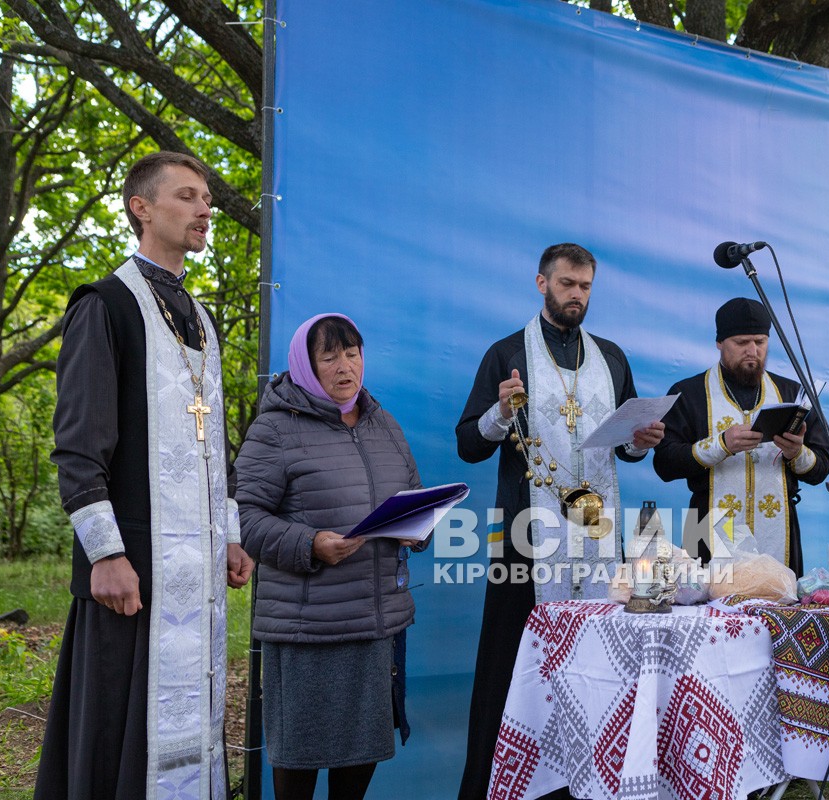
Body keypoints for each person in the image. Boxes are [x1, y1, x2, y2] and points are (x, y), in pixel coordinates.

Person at [36, 151, 254, 800]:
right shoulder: (105, 305)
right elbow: (78, 444)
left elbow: (216, 443)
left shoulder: (201, 318)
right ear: (142, 207)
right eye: (187, 196)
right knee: (118, 732)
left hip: (195, 570)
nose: (204, 209)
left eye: (206, 199)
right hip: (133, 564)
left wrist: (233, 534)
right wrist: (104, 552)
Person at [455, 242, 665, 800]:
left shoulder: (612, 358)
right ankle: (501, 788)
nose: (577, 295)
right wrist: (500, 413)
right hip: (526, 539)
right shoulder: (506, 355)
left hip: (597, 534)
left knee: (598, 663)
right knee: (511, 666)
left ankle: (591, 783)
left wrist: (641, 442)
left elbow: (624, 447)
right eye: (567, 283)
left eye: (586, 286)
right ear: (541, 283)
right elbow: (468, 445)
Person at [235, 313, 423, 800]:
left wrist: (415, 531)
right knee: (299, 762)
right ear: (305, 364)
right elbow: (244, 518)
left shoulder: (384, 424)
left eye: (353, 353)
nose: (345, 367)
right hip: (308, 631)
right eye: (330, 356)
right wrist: (310, 544)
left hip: (376, 625)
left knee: (361, 760)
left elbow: (414, 495)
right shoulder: (274, 429)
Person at [653, 297, 829, 573]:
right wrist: (721, 444)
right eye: (741, 343)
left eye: (760, 342)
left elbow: (821, 468)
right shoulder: (688, 394)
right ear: (719, 343)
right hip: (704, 525)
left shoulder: (791, 393)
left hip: (779, 528)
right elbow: (664, 464)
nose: (752, 350)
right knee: (703, 613)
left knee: (777, 613)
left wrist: (796, 453)